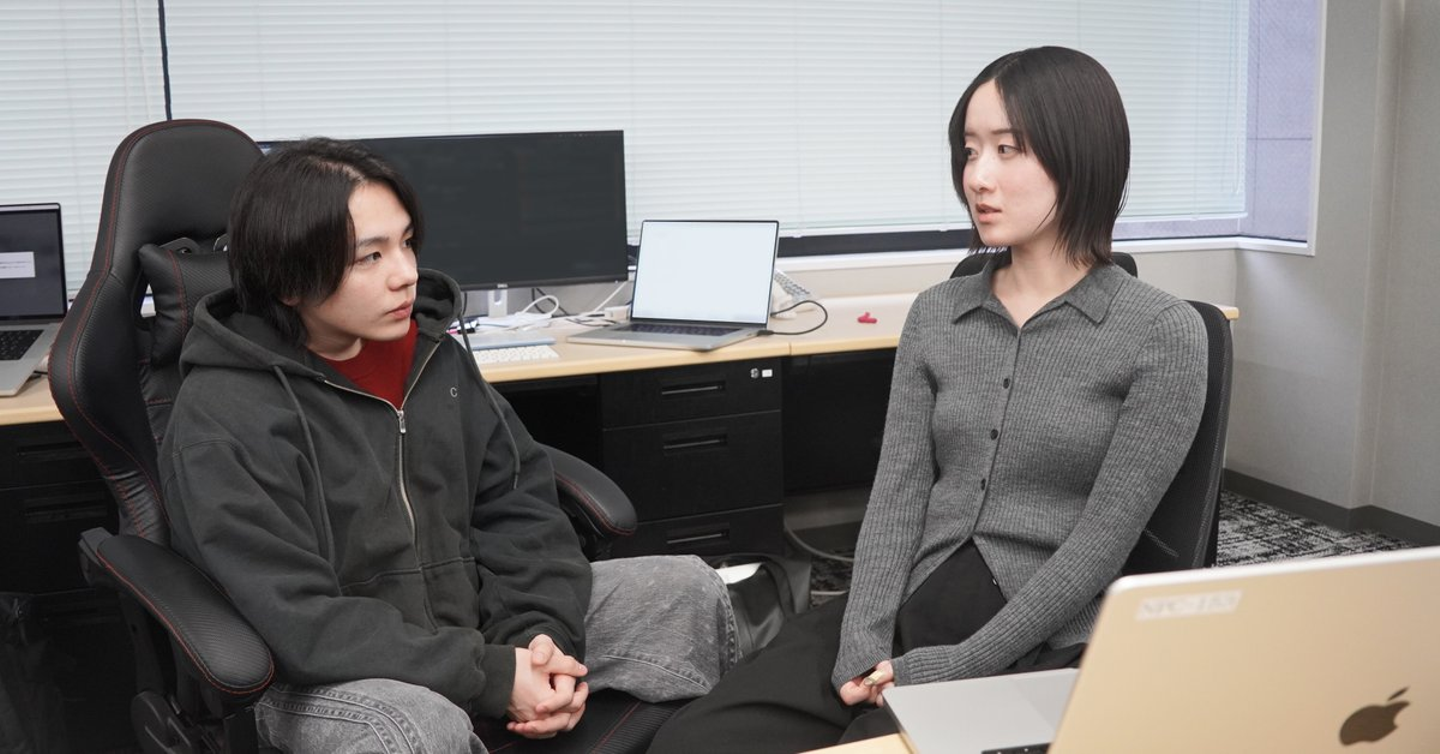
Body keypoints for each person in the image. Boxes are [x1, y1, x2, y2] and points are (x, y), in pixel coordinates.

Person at [648, 46, 1208, 752]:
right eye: (969, 151)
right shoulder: (938, 313)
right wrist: (862, 640)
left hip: (1037, 629)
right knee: (690, 742)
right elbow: (898, 494)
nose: (978, 177)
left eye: (1008, 149)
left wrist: (953, 667)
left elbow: (1100, 546)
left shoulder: (1161, 334)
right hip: (912, 594)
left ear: (1081, 155)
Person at [158, 137, 738, 753]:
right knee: (414, 728)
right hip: (323, 675)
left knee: (684, 593)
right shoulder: (224, 414)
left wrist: (537, 640)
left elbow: (518, 512)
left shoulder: (436, 361)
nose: (406, 273)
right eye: (369, 257)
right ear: (289, 280)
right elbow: (298, 618)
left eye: (406, 243)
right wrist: (492, 676)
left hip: (470, 623)